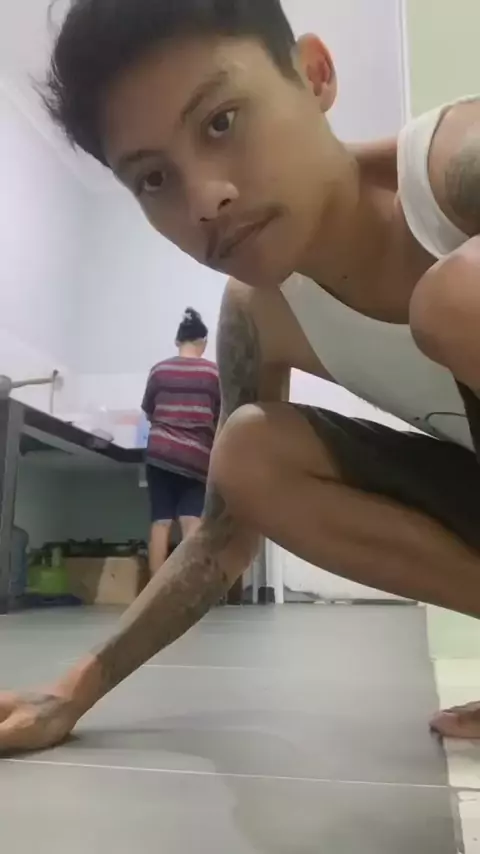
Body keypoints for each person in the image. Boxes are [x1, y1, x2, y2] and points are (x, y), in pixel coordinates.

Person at [1, 0, 480, 752]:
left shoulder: (456, 169)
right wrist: (72, 691)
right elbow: (221, 540)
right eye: (153, 178)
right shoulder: (260, 314)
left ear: (314, 75)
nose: (204, 201)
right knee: (250, 453)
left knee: (457, 299)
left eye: (222, 122)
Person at [142, 308, 220, 574]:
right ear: (203, 343)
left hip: (160, 454)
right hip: (196, 457)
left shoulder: (159, 370)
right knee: (191, 520)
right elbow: (219, 417)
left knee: (161, 521)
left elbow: (149, 412)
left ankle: (155, 591)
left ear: (177, 341)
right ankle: (190, 587)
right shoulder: (213, 373)